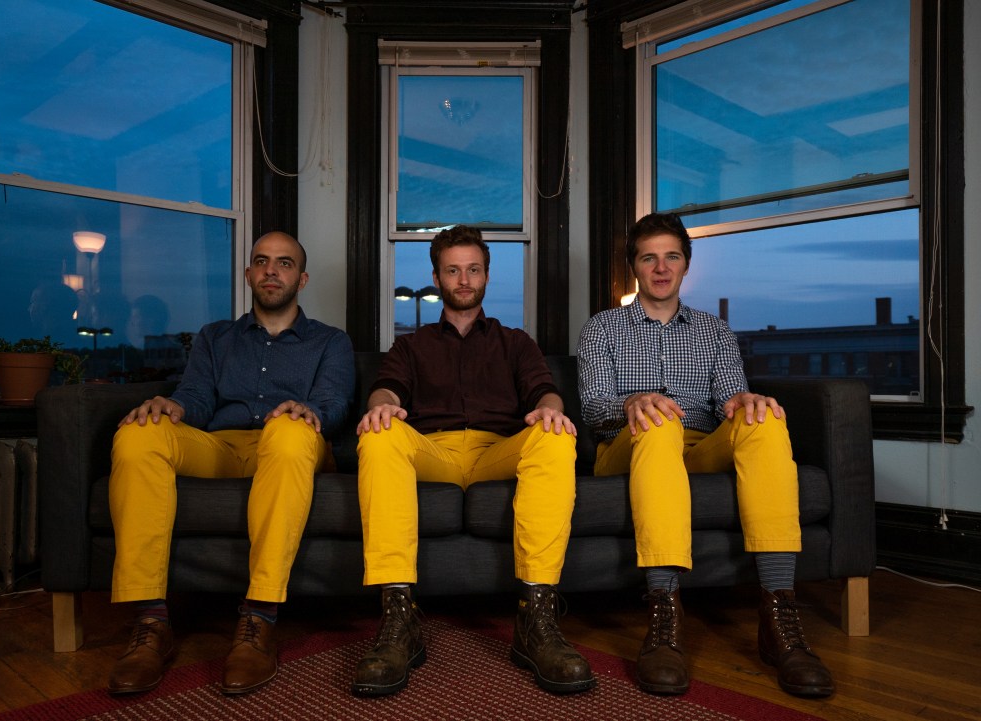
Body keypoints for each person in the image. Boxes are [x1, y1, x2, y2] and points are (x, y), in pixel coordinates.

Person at [576, 212, 834, 699]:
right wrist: (633, 402)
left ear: (686, 264)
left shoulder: (715, 331)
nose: (661, 268)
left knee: (764, 419)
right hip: (626, 445)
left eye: (671, 256)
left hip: (697, 445)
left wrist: (746, 402)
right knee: (658, 421)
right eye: (649, 258)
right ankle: (664, 616)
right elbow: (592, 409)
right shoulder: (602, 328)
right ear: (634, 266)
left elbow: (730, 401)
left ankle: (779, 616)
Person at [106, 231, 355, 696]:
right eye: (261, 261)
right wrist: (175, 406)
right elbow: (197, 397)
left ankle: (259, 616)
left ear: (301, 279)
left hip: (292, 444)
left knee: (288, 430)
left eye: (284, 263)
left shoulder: (330, 341)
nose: (271, 270)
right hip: (222, 445)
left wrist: (308, 411)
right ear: (248, 274)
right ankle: (150, 620)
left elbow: (335, 402)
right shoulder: (215, 337)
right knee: (140, 434)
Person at [352, 225, 594, 697]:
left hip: (496, 450)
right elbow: (387, 389)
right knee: (379, 434)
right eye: (453, 271)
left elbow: (544, 390)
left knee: (555, 435)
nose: (464, 280)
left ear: (486, 275)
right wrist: (380, 406)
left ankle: (536, 618)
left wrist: (551, 409)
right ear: (437, 277)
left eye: (473, 270)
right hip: (434, 450)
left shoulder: (515, 341)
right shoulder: (411, 345)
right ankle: (399, 617)